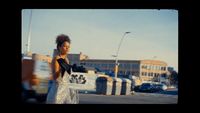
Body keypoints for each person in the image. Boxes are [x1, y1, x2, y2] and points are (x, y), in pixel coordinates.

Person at [46, 34, 79, 104]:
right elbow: (55, 77)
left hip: (65, 90)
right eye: (64, 46)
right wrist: (61, 69)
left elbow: (67, 76)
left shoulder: (66, 60)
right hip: (57, 90)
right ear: (59, 47)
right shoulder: (56, 59)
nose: (67, 48)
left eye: (68, 47)